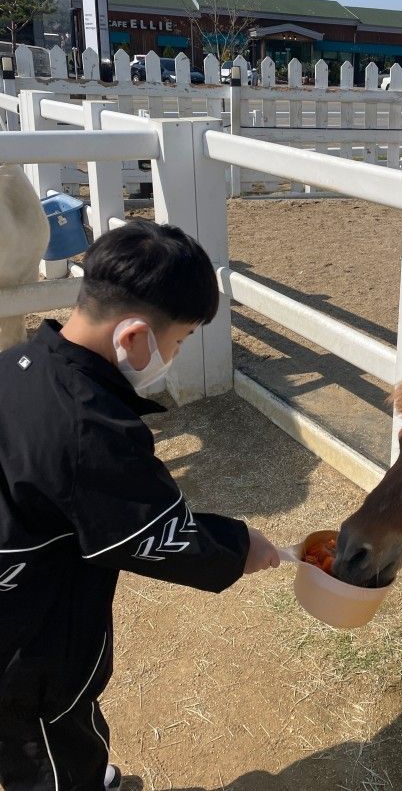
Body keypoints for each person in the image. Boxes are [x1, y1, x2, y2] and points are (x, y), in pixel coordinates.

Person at [0, 220, 280, 791]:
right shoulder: (91, 427)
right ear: (133, 337)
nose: (173, 356)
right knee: (52, 741)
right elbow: (153, 535)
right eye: (177, 342)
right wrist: (242, 547)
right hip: (29, 636)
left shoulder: (15, 365)